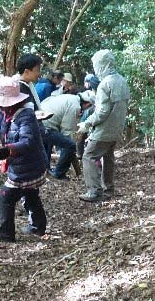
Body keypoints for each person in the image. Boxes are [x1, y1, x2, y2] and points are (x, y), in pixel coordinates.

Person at [0, 76, 49, 241]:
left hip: (29, 167)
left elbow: (28, 141)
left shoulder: (26, 116)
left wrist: (8, 150)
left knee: (4, 197)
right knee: (30, 194)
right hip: (20, 165)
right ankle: (38, 227)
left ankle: (5, 232)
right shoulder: (1, 114)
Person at [77, 50, 130, 202]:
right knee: (108, 157)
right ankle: (108, 189)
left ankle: (94, 191)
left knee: (88, 156)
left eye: (96, 65)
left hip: (104, 130)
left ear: (101, 65)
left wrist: (87, 123)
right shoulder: (122, 80)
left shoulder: (105, 84)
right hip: (117, 127)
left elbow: (102, 112)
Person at [40, 90, 81, 179]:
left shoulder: (71, 98)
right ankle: (59, 173)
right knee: (70, 145)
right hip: (45, 125)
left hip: (41, 121)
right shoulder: (75, 106)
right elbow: (66, 130)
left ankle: (44, 169)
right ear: (87, 104)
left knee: (48, 142)